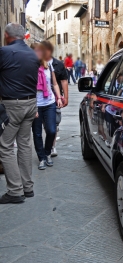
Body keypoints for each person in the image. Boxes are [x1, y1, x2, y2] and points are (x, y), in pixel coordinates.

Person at [0, 23, 39, 204]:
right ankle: (28, 187)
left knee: (6, 146)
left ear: (7, 35)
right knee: (24, 144)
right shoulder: (33, 54)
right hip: (31, 103)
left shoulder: (4, 52)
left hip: (12, 105)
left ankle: (15, 191)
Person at [30, 43, 63, 170]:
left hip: (49, 102)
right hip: (36, 104)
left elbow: (54, 83)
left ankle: (47, 152)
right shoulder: (29, 67)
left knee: (51, 130)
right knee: (37, 133)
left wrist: (59, 97)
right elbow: (27, 88)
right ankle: (42, 158)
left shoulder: (48, 65)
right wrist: (32, 106)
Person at [41, 41, 69, 157]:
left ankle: (52, 147)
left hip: (55, 98)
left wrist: (65, 97)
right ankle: (48, 146)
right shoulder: (37, 63)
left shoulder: (58, 64)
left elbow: (63, 80)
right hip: (41, 98)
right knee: (45, 125)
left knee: (54, 124)